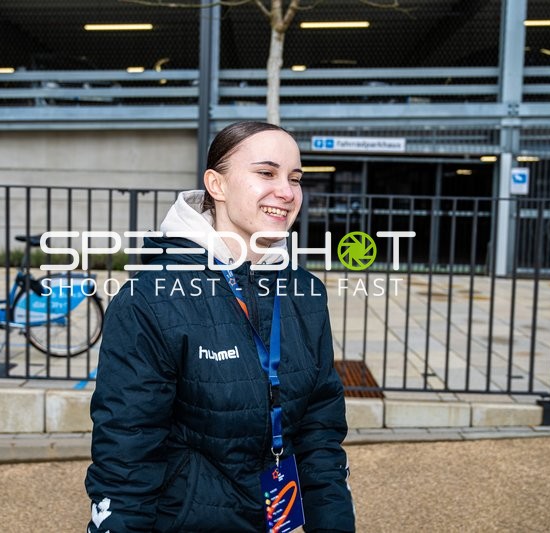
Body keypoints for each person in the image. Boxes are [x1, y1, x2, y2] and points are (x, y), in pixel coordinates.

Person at [85, 121, 355, 532]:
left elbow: (320, 434)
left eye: (295, 178)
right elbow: (127, 455)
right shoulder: (151, 299)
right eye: (266, 173)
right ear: (217, 184)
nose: (286, 191)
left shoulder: (305, 292)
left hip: (273, 519)